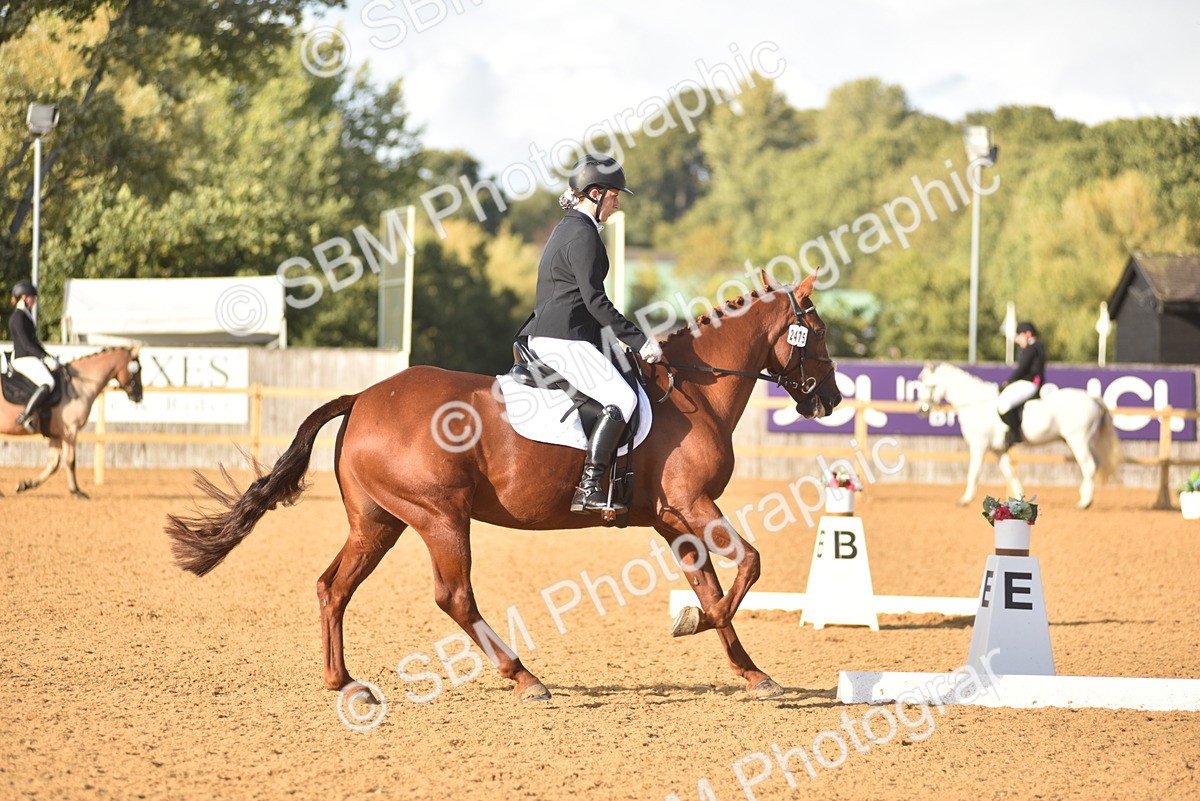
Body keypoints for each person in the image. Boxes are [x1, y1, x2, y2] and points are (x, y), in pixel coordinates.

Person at [516, 154, 663, 515]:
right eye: (613, 197)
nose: (616, 205)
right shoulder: (582, 235)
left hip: (558, 334)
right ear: (594, 193)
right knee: (624, 400)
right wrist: (638, 341)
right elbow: (595, 301)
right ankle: (589, 487)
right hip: (562, 338)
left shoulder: (568, 228)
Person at [8, 280, 58, 433]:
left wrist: (48, 356)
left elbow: (35, 343)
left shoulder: (25, 315)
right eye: (32, 297)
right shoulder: (18, 317)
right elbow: (27, 344)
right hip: (23, 359)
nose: (34, 300)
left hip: (29, 357)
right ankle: (26, 415)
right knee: (49, 382)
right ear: (24, 297)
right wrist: (44, 358)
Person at [997, 321, 1045, 450]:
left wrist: (1009, 381)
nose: (1018, 339)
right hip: (1028, 382)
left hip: (1030, 383)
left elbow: (1022, 369)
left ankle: (1015, 433)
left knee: (1004, 404)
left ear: (1028, 334)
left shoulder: (1032, 348)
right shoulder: (1035, 347)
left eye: (1020, 335)